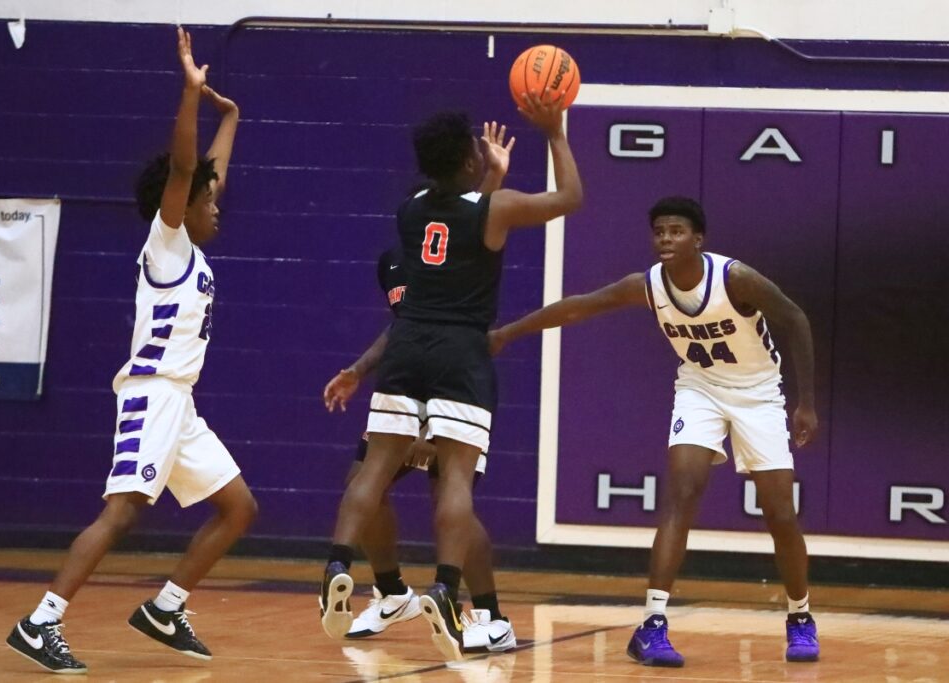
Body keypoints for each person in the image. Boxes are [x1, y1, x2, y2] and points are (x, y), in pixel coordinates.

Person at [6, 28, 257, 674]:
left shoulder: (192, 243)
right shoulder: (166, 244)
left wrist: (230, 116)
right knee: (121, 514)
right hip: (151, 395)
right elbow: (185, 169)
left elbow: (207, 173)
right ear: (182, 206)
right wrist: (192, 95)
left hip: (183, 406)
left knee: (239, 507)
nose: (217, 205)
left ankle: (166, 608)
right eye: (208, 200)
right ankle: (41, 621)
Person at [488, 196, 820, 667]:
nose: (666, 238)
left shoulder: (735, 278)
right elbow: (579, 307)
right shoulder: (647, 286)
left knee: (780, 513)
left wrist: (805, 402)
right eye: (659, 231)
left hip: (759, 392)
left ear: (698, 239)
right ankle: (652, 624)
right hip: (699, 388)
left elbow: (796, 319)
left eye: (677, 231)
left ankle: (800, 616)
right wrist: (507, 334)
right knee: (682, 493)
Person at [319, 93, 582, 662]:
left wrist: (484, 173)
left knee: (373, 466)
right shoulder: (497, 208)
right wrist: (554, 130)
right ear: (469, 161)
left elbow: (460, 224)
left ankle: (338, 563)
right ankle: (444, 585)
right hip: (461, 349)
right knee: (455, 478)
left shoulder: (410, 211)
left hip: (408, 343)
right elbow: (569, 197)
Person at [322, 188, 512, 652]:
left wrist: (430, 428)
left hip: (453, 383)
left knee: (447, 495)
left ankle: (490, 614)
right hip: (410, 379)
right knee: (362, 479)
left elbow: (466, 325)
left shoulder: (466, 249)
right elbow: (401, 325)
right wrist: (358, 370)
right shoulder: (392, 261)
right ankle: (391, 593)